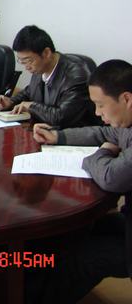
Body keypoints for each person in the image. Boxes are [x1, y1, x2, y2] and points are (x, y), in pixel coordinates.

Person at [28, 60, 132, 303]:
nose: (97, 113)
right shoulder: (126, 120)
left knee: (84, 259)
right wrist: (58, 136)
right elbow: (103, 133)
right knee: (78, 231)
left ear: (126, 99)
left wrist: (100, 154)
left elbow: (111, 177)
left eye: (100, 105)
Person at [0, 25, 96, 128]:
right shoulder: (40, 68)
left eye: (28, 61)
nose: (26, 67)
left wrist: (31, 106)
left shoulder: (77, 76)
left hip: (72, 134)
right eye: (22, 61)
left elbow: (62, 117)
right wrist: (11, 101)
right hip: (44, 129)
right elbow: (30, 92)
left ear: (46, 53)